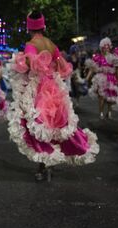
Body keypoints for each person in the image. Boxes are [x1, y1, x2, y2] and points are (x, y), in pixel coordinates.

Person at [7, 12, 99, 181]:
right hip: (54, 88)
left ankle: (44, 166)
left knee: (37, 128)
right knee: (54, 127)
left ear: (28, 27)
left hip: (39, 88)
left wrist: (19, 63)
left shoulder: (31, 44)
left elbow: (29, 65)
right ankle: (50, 163)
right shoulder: (51, 44)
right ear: (43, 26)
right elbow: (60, 66)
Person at [85, 37, 118, 119]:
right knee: (101, 97)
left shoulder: (114, 58)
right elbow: (92, 68)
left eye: (108, 46)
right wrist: (87, 78)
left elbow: (117, 70)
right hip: (101, 79)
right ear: (101, 48)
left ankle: (109, 112)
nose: (106, 49)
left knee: (110, 98)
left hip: (111, 79)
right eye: (104, 47)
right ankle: (101, 112)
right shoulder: (98, 58)